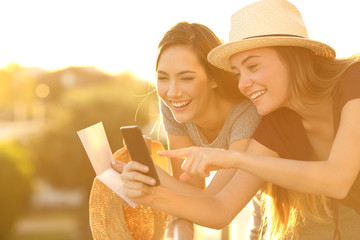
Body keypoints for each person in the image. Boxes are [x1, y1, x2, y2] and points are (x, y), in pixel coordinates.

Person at [120, 0, 360, 239]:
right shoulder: (279, 122)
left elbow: (338, 180)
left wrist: (234, 158)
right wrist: (149, 194)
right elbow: (220, 209)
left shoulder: (354, 80)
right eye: (237, 73)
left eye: (253, 66)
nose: (243, 84)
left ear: (293, 56)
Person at [113, 21, 261, 239]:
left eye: (187, 78)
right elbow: (189, 187)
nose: (172, 92)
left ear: (214, 77)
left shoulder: (247, 111)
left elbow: (214, 201)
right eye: (163, 78)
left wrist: (152, 173)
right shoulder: (174, 105)